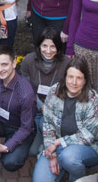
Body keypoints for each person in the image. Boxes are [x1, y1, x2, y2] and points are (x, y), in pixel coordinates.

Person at [32, 58, 98, 182]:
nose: (74, 82)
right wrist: (52, 155)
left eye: (79, 78)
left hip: (87, 147)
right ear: (65, 77)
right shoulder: (54, 91)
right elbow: (48, 124)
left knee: (69, 156)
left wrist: (58, 143)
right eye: (70, 77)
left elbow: (88, 136)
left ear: (85, 80)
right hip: (57, 147)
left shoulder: (93, 99)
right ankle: (65, 164)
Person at [20, 27, 71, 156]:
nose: (48, 51)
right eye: (44, 46)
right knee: (31, 151)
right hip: (33, 106)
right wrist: (41, 106)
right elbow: (24, 87)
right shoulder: (29, 60)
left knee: (43, 127)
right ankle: (39, 134)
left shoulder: (67, 63)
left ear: (58, 47)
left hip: (56, 110)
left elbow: (69, 90)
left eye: (53, 46)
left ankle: (48, 142)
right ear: (39, 45)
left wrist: (49, 108)